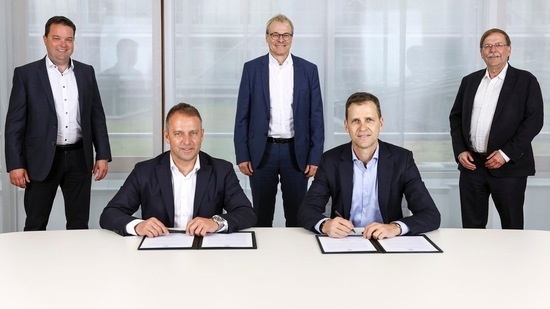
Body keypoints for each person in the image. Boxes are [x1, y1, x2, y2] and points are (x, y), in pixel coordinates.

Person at [4, 16, 111, 231]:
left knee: (79, 223)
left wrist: (102, 155)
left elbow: (96, 116)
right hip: (41, 161)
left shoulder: (86, 72)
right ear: (45, 39)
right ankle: (33, 264)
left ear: (73, 42)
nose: (63, 44)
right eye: (56, 38)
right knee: (35, 223)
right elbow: (14, 124)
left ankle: (76, 264)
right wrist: (15, 164)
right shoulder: (26, 75)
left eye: (68, 39)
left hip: (79, 159)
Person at [298, 92, 440, 239]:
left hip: (387, 241)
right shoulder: (330, 160)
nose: (362, 128)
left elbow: (430, 214)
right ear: (346, 126)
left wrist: (395, 228)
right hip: (344, 241)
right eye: (355, 121)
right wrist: (325, 225)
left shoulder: (402, 159)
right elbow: (306, 210)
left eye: (369, 120)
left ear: (381, 123)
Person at [100, 103, 257, 237]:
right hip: (157, 255)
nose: (187, 141)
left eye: (193, 133)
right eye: (178, 134)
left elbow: (246, 213)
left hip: (206, 253)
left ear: (202, 135)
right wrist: (137, 226)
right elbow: (110, 214)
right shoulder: (144, 171)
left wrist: (216, 223)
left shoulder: (222, 170)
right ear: (167, 136)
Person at [234, 14, 324, 227]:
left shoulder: (309, 70)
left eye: (285, 35)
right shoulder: (252, 69)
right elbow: (242, 116)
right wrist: (242, 154)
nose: (280, 39)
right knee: (261, 217)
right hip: (261, 153)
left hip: (297, 153)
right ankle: (262, 259)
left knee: (297, 217)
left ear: (292, 38)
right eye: (275, 34)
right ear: (266, 37)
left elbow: (317, 116)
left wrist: (315, 157)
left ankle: (295, 259)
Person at [449, 28, 544, 229]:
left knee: (512, 227)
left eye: (499, 45)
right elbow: (456, 118)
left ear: (509, 50)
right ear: (481, 52)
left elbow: (534, 121)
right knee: (472, 229)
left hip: (509, 167)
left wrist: (506, 153)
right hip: (472, 166)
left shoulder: (526, 81)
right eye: (488, 46)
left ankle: (512, 261)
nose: (493, 50)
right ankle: (474, 261)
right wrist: (460, 151)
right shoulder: (469, 81)